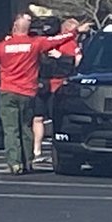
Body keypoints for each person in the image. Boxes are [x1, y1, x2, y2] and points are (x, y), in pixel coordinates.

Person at [0, 14, 88, 173]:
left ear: (14, 28)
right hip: (28, 92)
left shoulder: (2, 46)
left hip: (8, 91)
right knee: (26, 127)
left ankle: (14, 162)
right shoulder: (35, 43)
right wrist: (75, 32)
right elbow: (57, 40)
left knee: (11, 129)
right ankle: (28, 161)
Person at [32, 17, 80, 163]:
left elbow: (77, 60)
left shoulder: (67, 43)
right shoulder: (41, 42)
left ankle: (51, 149)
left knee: (53, 119)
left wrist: (61, 57)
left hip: (58, 86)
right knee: (38, 118)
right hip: (43, 85)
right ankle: (36, 150)